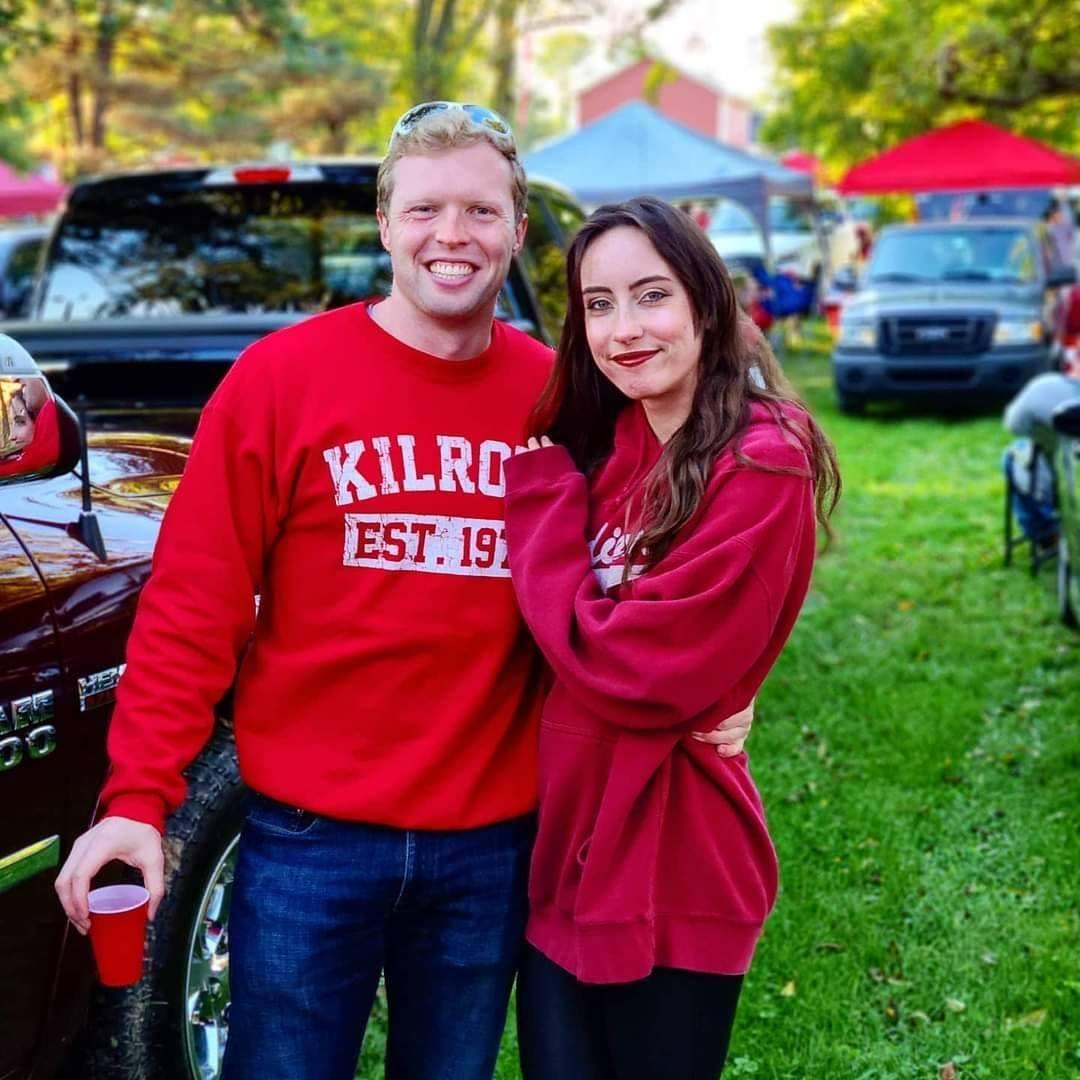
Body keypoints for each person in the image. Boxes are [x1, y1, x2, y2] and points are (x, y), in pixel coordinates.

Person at [54, 105, 752, 1080]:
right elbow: (192, 608)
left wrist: (721, 678)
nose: (451, 236)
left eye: (479, 209)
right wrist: (136, 798)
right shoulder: (279, 382)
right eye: (424, 208)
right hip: (307, 841)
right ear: (385, 225)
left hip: (492, 844)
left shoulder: (566, 396)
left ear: (516, 231)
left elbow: (667, 538)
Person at [502, 196, 841, 1079]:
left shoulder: (762, 458)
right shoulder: (614, 451)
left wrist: (540, 509)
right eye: (599, 304)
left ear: (704, 300)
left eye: (650, 296)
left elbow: (638, 668)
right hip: (568, 859)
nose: (624, 329)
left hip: (674, 865)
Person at [1002, 366, 1080, 546]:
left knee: (1014, 454)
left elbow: (1014, 425)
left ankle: (1044, 531)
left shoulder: (1044, 387)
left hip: (1051, 479)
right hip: (1071, 476)